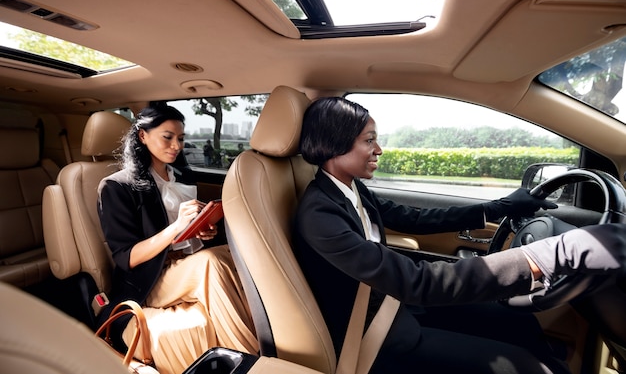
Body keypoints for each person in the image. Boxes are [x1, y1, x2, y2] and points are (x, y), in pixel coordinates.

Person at [293, 97, 626, 374]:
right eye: (369, 139)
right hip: (377, 334)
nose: (379, 148)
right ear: (335, 142)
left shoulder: (350, 188)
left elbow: (415, 218)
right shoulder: (319, 214)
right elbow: (415, 281)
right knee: (526, 368)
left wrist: (498, 207)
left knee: (515, 322)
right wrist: (541, 259)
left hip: (395, 305)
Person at [97, 102, 258, 374]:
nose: (176, 145)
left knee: (227, 253)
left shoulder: (183, 175)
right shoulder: (116, 186)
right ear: (143, 136)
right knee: (211, 263)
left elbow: (189, 234)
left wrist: (204, 230)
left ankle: (255, 350)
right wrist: (175, 229)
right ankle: (251, 361)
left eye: (181, 138)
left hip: (188, 264)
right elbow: (126, 258)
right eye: (167, 137)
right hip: (153, 277)